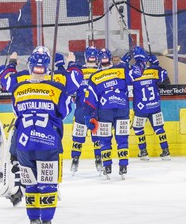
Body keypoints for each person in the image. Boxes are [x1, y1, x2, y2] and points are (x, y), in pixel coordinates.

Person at [11, 50, 71, 224]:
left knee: (30, 184)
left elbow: (16, 112)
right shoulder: (56, 88)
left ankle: (33, 222)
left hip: (24, 143)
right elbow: (65, 111)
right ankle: (46, 223)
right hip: (47, 142)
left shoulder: (18, 89)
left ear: (29, 67)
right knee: (48, 183)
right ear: (47, 68)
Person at [86, 48, 136, 178]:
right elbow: (137, 73)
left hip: (104, 111)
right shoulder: (121, 70)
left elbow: (90, 101)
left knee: (105, 140)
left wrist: (89, 117)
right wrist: (141, 59)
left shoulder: (94, 77)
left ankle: (107, 166)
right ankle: (123, 166)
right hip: (122, 108)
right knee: (122, 139)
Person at [131, 49, 171, 161]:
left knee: (138, 128)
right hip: (154, 106)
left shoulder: (134, 73)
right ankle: (166, 150)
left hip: (141, 108)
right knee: (159, 128)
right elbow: (164, 78)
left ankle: (143, 152)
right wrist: (156, 65)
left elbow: (126, 80)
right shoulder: (154, 71)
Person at [70, 47, 102, 173]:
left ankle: (75, 160)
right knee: (97, 136)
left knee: (78, 137)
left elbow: (71, 89)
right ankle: (99, 160)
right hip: (95, 110)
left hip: (81, 109)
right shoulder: (100, 72)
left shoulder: (79, 71)